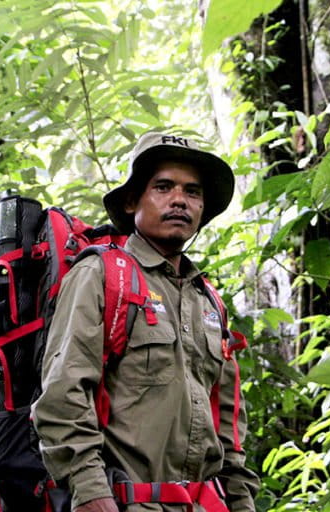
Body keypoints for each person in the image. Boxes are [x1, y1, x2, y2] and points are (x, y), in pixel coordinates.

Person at [31, 132, 260, 512]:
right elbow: (63, 392)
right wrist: (90, 490)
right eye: (163, 187)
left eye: (192, 191)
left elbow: (228, 427)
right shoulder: (102, 275)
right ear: (131, 201)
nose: (179, 200)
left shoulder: (208, 300)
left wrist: (241, 501)